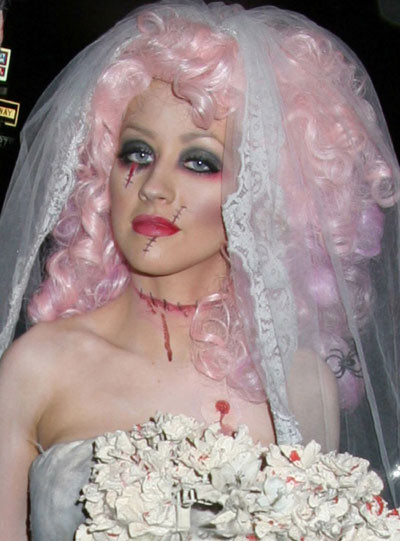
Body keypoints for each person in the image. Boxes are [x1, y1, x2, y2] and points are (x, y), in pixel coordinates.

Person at [0, 1, 399, 539]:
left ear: (271, 191)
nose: (154, 188)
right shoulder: (38, 368)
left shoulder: (300, 385)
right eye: (136, 153)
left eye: (199, 162)